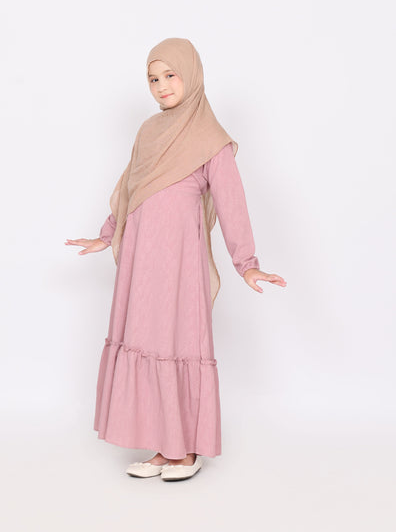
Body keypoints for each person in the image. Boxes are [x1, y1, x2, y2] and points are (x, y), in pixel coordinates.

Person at [65, 37, 286, 481]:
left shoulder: (210, 139)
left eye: (170, 75)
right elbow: (131, 188)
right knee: (146, 342)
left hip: (180, 265)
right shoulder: (148, 132)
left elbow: (232, 204)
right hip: (141, 263)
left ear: (192, 75)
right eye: (153, 78)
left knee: (176, 344)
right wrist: (106, 234)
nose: (161, 86)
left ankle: (186, 452)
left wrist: (247, 263)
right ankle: (163, 447)